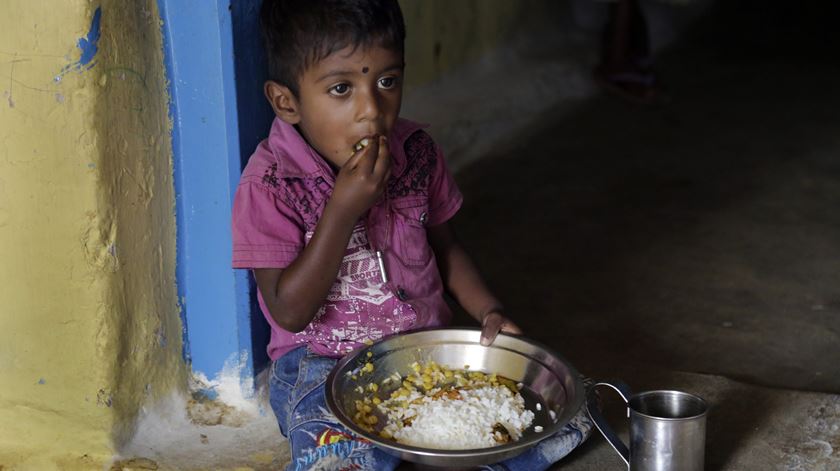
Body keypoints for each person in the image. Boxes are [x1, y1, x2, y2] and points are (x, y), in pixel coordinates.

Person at [231, 1, 592, 469]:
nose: (371, 110)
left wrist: (489, 310)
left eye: (387, 81)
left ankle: (454, 452)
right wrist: (342, 210)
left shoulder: (416, 153)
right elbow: (289, 310)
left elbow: (447, 247)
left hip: (426, 349)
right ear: (287, 102)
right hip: (322, 366)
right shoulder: (271, 184)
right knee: (338, 458)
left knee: (568, 414)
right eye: (341, 88)